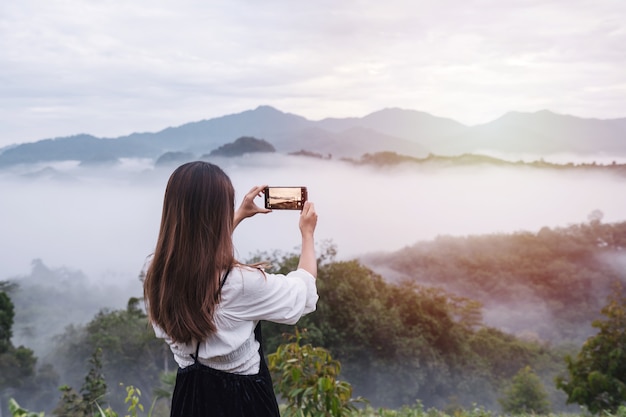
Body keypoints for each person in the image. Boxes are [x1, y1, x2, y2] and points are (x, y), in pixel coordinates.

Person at [143, 161, 318, 417]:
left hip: (188, 398)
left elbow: (198, 257)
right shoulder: (242, 284)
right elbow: (303, 292)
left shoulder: (157, 272)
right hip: (242, 402)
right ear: (219, 213)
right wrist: (308, 234)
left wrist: (238, 216)